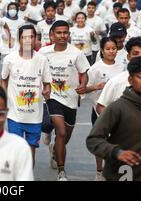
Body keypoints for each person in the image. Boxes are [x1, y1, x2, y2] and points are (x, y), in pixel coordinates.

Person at [39, 20, 90, 181]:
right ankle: (62, 171)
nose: (62, 36)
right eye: (59, 33)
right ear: (52, 35)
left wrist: (83, 84)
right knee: (60, 131)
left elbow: (84, 72)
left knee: (65, 136)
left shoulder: (76, 53)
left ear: (69, 34)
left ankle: (55, 149)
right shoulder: (43, 52)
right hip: (51, 97)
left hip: (71, 99)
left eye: (65, 33)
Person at [1, 24, 52, 166]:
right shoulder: (9, 59)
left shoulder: (42, 60)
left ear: (36, 39)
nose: (28, 40)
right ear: (19, 39)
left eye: (31, 37)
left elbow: (47, 83)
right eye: (24, 37)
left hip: (35, 117)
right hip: (14, 115)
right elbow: (3, 81)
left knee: (30, 155)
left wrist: (47, 90)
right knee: (16, 153)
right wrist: (4, 100)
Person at [85, 37, 125, 180]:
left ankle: (115, 170)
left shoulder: (122, 67)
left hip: (119, 111)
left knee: (116, 140)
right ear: (102, 50)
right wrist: (98, 86)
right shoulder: (95, 68)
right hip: (99, 110)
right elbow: (84, 89)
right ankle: (99, 171)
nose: (111, 51)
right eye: (108, 49)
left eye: (113, 48)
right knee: (100, 141)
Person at [96, 37, 141, 111]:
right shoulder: (115, 82)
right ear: (128, 57)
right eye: (135, 54)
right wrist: (113, 121)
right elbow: (100, 106)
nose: (140, 57)